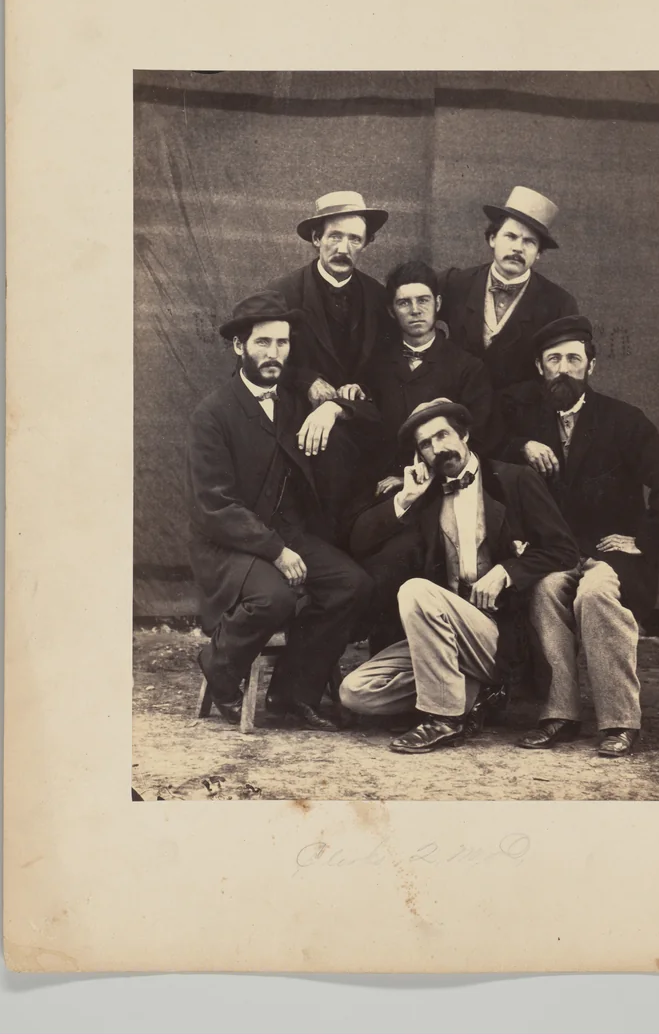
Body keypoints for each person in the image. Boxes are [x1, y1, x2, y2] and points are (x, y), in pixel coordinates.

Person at [498, 316, 659, 756]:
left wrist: (643, 540)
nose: (564, 368)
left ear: (592, 365)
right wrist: (521, 448)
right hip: (557, 553)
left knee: (594, 594)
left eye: (574, 358)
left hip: (613, 557)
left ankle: (620, 722)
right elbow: (492, 463)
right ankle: (559, 715)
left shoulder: (623, 420)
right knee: (546, 590)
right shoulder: (526, 424)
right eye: (555, 359)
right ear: (540, 368)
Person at [339, 398, 579, 753]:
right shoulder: (424, 498)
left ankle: (446, 719)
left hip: (498, 636)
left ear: (464, 434)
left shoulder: (514, 480)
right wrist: (406, 498)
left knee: (416, 591)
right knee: (355, 692)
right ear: (419, 455)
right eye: (426, 444)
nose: (438, 448)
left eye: (443, 435)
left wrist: (507, 572)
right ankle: (475, 697)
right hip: (441, 636)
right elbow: (360, 541)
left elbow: (564, 550)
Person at [185, 291, 373, 731]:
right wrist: (275, 550)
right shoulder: (212, 414)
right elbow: (213, 506)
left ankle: (293, 693)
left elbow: (370, 416)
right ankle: (219, 665)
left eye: (282, 344)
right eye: (263, 343)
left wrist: (331, 405)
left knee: (354, 584)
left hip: (288, 534)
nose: (274, 354)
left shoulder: (292, 401)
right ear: (239, 347)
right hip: (227, 545)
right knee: (275, 596)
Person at [337, 261, 497, 656]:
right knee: (385, 564)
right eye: (404, 303)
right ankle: (389, 662)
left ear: (438, 303)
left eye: (423, 300)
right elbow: (368, 437)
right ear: (391, 310)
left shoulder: (466, 367)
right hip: (393, 494)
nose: (415, 310)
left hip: (450, 495)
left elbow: (481, 441)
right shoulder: (375, 366)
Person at [439, 186, 579, 392]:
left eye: (529, 242)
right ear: (492, 239)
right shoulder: (455, 283)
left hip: (520, 417)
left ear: (538, 253)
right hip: (457, 412)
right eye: (511, 236)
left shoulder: (559, 304)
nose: (518, 248)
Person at [266, 190, 394, 403]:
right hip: (299, 419)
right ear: (317, 238)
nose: (343, 249)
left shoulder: (378, 296)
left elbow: (387, 364)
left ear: (366, 243)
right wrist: (308, 381)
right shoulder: (281, 294)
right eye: (335, 236)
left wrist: (361, 387)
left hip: (358, 420)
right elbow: (255, 361)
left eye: (354, 239)